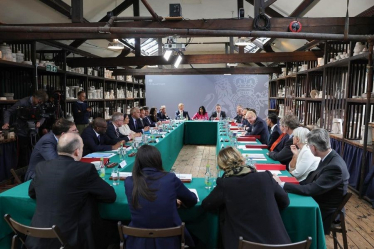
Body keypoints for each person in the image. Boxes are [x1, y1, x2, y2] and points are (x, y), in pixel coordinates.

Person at [26, 133, 116, 249]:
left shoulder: (41, 167)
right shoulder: (85, 169)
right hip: (70, 239)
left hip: (36, 237)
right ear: (77, 151)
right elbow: (110, 196)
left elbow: (32, 192)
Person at [202, 147, 291, 249]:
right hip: (279, 245)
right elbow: (285, 201)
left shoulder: (226, 184)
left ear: (222, 167)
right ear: (242, 159)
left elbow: (207, 204)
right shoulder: (265, 177)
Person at [273, 128, 350, 235]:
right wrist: (285, 183)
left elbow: (311, 189)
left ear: (313, 147)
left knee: (282, 210)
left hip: (324, 210)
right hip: (319, 200)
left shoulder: (334, 166)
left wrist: (282, 184)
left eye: (309, 146)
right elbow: (311, 180)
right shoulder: (329, 157)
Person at [124, 145, 198, 248]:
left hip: (138, 241)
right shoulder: (170, 178)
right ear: (158, 160)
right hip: (170, 241)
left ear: (138, 162)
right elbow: (192, 200)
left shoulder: (129, 181)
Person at [2, 89, 48, 168]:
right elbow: (8, 112)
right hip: (22, 132)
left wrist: (40, 122)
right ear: (34, 97)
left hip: (34, 132)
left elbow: (44, 115)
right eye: (39, 101)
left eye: (41, 102)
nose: (40, 103)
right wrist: (6, 123)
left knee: (37, 153)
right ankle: (23, 175)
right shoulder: (22, 102)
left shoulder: (40, 104)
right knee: (23, 156)